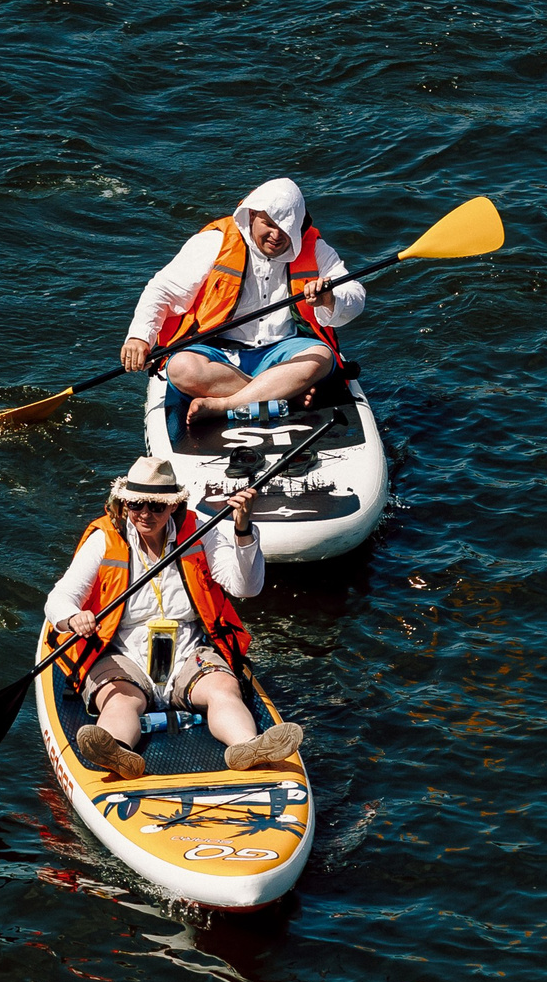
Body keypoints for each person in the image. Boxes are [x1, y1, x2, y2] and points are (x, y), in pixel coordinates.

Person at [44, 455, 304, 781]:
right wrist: (73, 618)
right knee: (121, 700)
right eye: (136, 504)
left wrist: (243, 530)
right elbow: (59, 600)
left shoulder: (202, 532)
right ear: (124, 504)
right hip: (123, 653)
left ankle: (245, 747)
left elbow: (246, 588)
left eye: (156, 506)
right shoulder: (104, 539)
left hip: (187, 651)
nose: (145, 514)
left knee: (224, 689)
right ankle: (117, 751)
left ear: (173, 506)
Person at [120, 176, 367, 427]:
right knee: (181, 368)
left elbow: (355, 296)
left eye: (285, 228)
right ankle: (285, 394)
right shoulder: (215, 242)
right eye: (268, 224)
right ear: (251, 215)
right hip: (219, 353)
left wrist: (329, 298)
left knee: (321, 357)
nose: (276, 235)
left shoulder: (315, 248)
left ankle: (226, 405)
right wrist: (140, 337)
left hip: (285, 351)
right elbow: (162, 291)